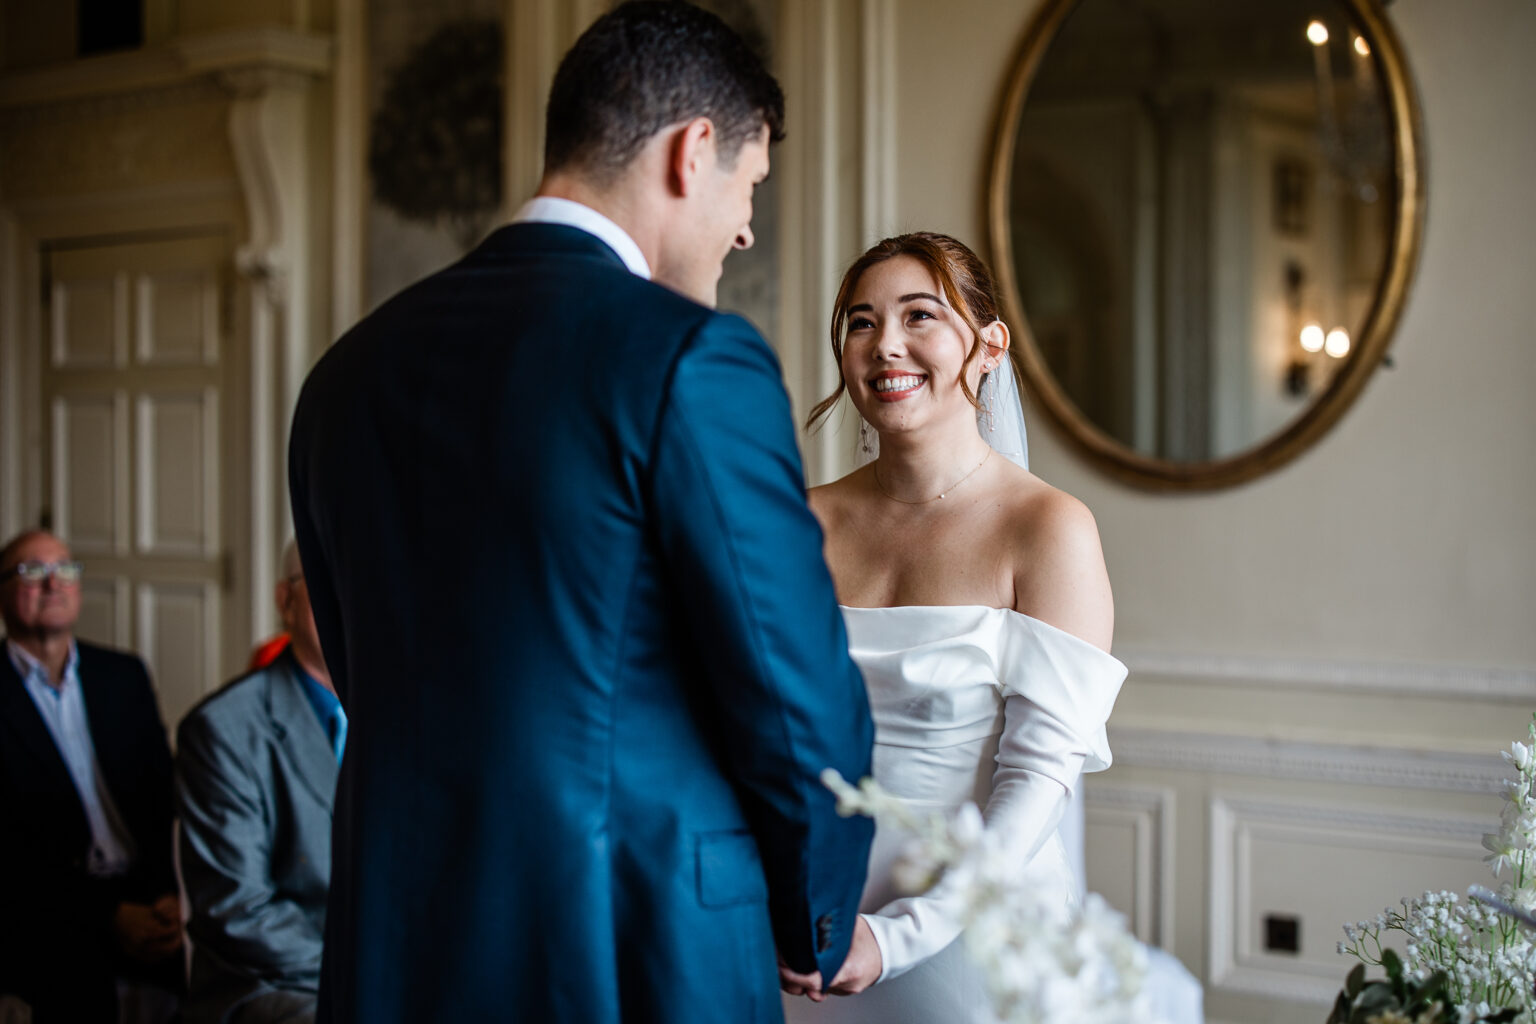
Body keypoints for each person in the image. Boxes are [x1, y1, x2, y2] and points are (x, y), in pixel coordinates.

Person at [286, 4, 875, 1021]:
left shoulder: (346, 374)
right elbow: (795, 700)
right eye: (751, 186)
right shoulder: (694, 357)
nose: (744, 225)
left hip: (398, 945)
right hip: (630, 948)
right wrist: (813, 917)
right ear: (694, 152)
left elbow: (356, 659)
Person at [781, 233, 1201, 1021]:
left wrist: (899, 936)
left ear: (988, 347)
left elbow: (1036, 785)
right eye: (861, 323)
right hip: (814, 936)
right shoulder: (803, 521)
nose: (886, 345)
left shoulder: (1047, 529)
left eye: (920, 316)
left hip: (970, 943)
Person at [0, 530, 182, 1023]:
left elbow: (160, 796)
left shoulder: (122, 676)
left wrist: (170, 895)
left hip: (148, 900)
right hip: (46, 923)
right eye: (32, 571)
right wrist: (107, 916)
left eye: (65, 569)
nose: (53, 583)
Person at [176, 540, 344, 1024]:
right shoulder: (221, 731)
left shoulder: (401, 715)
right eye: (323, 584)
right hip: (271, 984)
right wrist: (362, 974)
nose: (344, 602)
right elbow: (239, 911)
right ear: (284, 602)